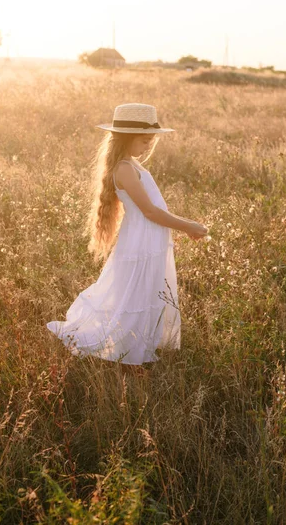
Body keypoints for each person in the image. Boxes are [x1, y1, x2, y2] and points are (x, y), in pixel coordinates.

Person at [46, 103, 208, 372]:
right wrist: (187, 225)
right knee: (132, 294)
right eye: (145, 140)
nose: (148, 146)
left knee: (147, 291)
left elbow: (153, 211)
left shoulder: (132, 165)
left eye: (151, 140)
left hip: (149, 238)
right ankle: (125, 350)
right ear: (126, 137)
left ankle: (138, 345)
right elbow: (149, 210)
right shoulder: (123, 169)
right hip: (140, 241)